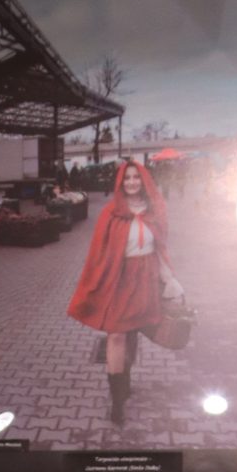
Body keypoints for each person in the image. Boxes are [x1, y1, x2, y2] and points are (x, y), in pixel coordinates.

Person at [64, 161, 186, 428]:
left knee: (134, 332)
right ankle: (117, 399)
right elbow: (99, 253)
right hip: (119, 281)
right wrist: (98, 283)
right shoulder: (110, 213)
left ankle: (125, 380)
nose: (131, 182)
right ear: (120, 183)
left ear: (143, 181)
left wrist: (170, 279)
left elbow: (160, 248)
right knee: (117, 335)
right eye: (127, 178)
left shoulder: (154, 210)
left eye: (136, 177)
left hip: (146, 279)